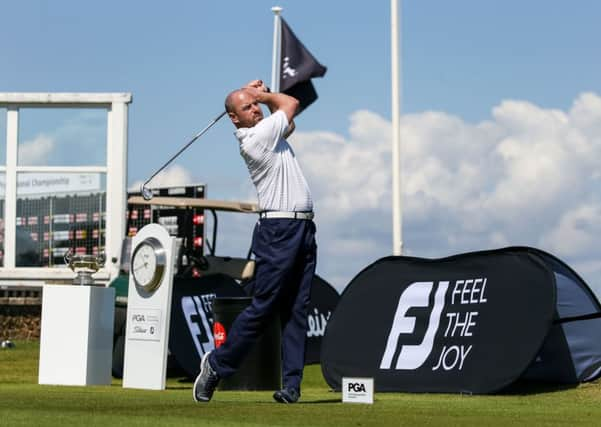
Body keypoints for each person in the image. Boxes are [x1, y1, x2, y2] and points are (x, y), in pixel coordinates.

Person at [193, 79, 317, 404]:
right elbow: (290, 104)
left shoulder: (268, 132)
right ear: (235, 119)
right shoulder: (254, 139)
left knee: (296, 309)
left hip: (303, 229)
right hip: (278, 230)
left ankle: (291, 386)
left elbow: (288, 118)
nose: (256, 109)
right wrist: (263, 93)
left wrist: (254, 94)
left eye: (256, 105)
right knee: (264, 308)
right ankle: (217, 365)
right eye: (247, 107)